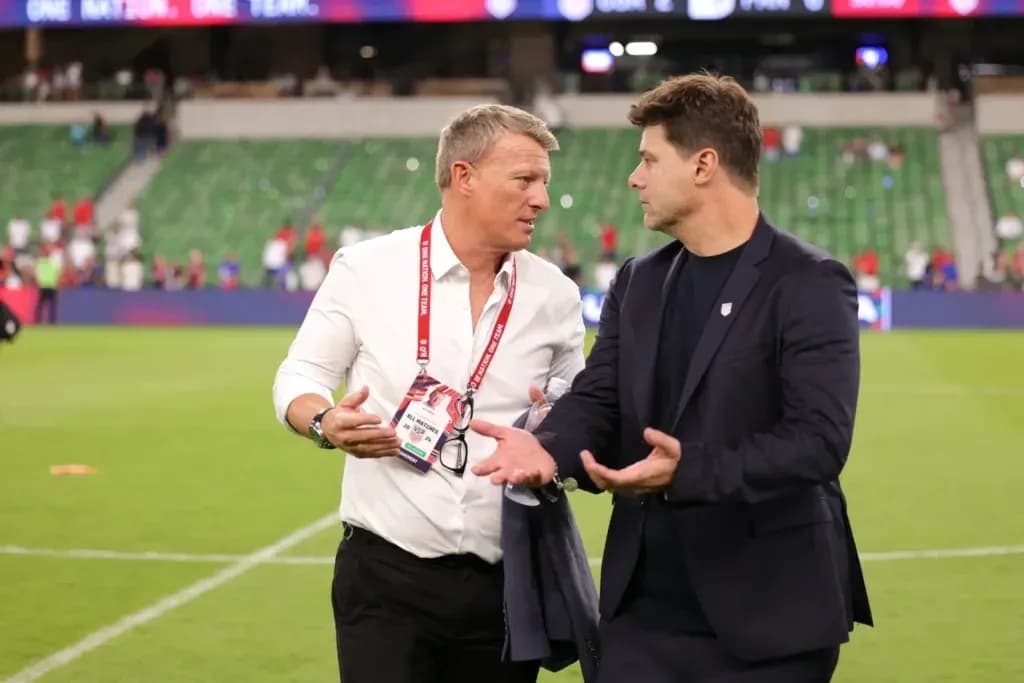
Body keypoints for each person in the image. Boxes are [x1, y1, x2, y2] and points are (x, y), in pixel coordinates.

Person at [471, 73, 873, 682]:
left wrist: (688, 471)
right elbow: (599, 397)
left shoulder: (809, 282)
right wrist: (547, 450)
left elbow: (818, 442)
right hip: (643, 619)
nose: (635, 178)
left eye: (650, 160)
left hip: (770, 621)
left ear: (704, 165)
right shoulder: (640, 281)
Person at [272, 104, 585, 683]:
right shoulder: (367, 269)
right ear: (464, 177)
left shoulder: (556, 296)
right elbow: (299, 375)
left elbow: (576, 417)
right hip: (385, 577)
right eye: (525, 180)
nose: (541, 199)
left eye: (544, 182)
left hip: (505, 583)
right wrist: (322, 422)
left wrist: (557, 434)